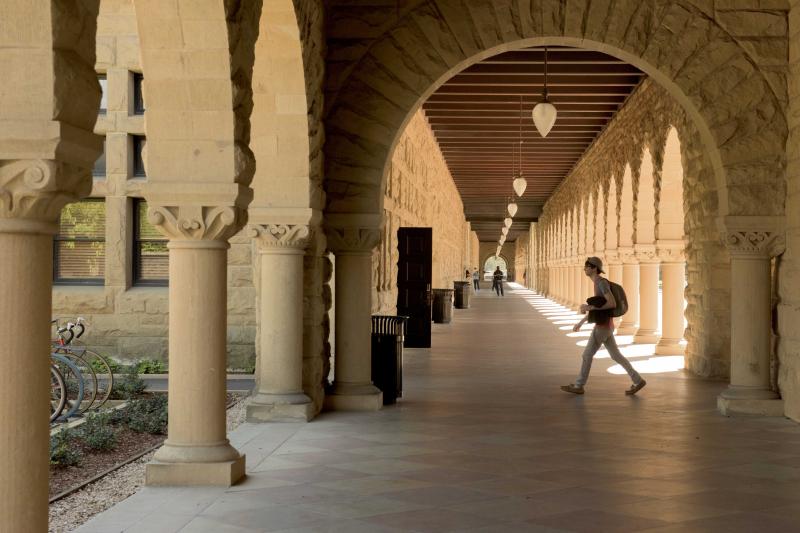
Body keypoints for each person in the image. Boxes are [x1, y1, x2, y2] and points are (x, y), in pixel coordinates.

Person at [560, 257, 646, 396]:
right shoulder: (597, 283)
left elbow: (611, 303)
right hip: (606, 326)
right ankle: (638, 380)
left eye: (587, 266)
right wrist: (581, 322)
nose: (584, 268)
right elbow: (599, 307)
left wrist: (589, 307)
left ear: (594, 268)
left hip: (603, 326)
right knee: (616, 355)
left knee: (587, 355)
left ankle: (579, 385)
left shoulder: (601, 283)